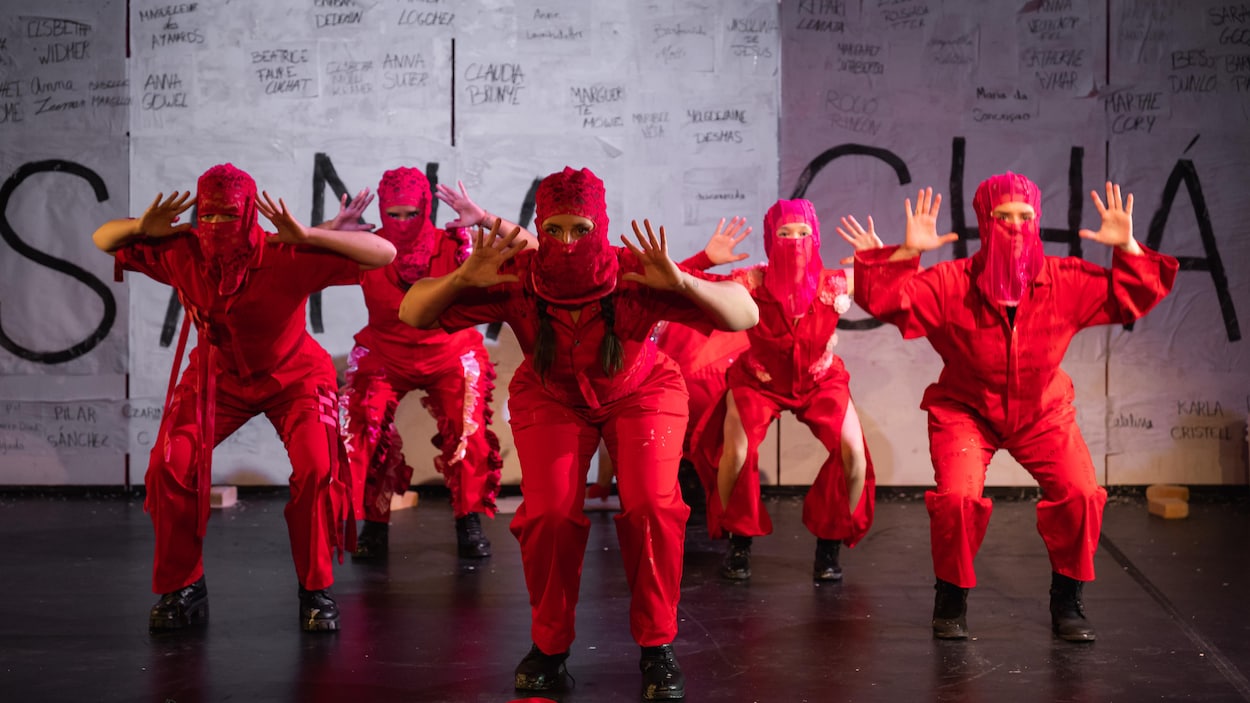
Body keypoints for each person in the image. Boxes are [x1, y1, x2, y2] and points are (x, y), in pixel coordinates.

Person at [397, 167, 758, 700]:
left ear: (600, 226)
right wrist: (461, 279)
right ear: (540, 227)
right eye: (555, 229)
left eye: (580, 229)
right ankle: (549, 646)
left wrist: (682, 282)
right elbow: (413, 312)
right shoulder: (517, 275)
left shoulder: (633, 270)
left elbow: (744, 314)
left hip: (642, 391)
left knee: (652, 507)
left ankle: (657, 644)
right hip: (551, 396)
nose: (567, 242)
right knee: (547, 515)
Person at [853, 175, 1178, 641]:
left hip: (1042, 411)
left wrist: (1127, 246)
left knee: (1082, 493)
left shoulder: (1064, 280)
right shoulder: (952, 283)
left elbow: (1131, 296)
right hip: (966, 411)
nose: (1014, 226)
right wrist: (906, 254)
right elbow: (889, 301)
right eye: (1001, 216)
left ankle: (1067, 598)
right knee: (957, 500)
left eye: (1024, 216)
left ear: (1037, 220)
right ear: (984, 222)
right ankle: (951, 595)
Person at [93, 163, 396, 632]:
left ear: (249, 211)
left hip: (295, 378)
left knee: (317, 468)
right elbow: (103, 239)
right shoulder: (183, 250)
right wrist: (140, 228)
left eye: (228, 215)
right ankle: (183, 585)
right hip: (217, 377)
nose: (217, 225)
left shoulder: (286, 253)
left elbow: (384, 253)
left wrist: (310, 234)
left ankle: (315, 588)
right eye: (208, 215)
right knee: (169, 465)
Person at [685, 199, 879, 582]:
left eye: (803, 233)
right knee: (736, 453)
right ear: (770, 240)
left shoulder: (836, 282)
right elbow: (682, 284)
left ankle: (829, 544)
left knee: (854, 453)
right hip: (759, 381)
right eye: (784, 233)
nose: (794, 241)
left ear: (815, 237)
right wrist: (705, 259)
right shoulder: (749, 282)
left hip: (820, 379)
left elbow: (902, 286)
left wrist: (879, 260)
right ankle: (738, 541)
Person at [329, 167, 504, 560]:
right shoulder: (367, 248)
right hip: (385, 353)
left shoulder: (455, 243)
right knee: (361, 424)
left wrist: (484, 220)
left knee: (469, 431)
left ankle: (469, 518)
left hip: (450, 351)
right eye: (394, 214)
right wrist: (333, 231)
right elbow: (293, 257)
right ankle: (373, 522)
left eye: (411, 213)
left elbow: (517, 252)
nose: (403, 223)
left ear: (426, 208)